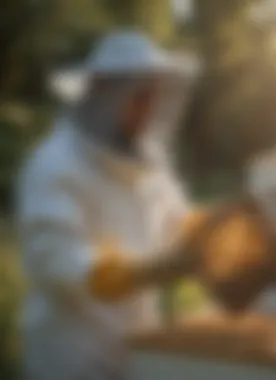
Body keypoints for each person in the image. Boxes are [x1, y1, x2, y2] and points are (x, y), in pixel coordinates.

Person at [17, 30, 203, 380]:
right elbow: (56, 262)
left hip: (138, 349)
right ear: (102, 91)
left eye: (154, 97)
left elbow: (178, 218)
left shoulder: (150, 160)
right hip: (71, 359)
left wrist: (209, 232)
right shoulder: (55, 163)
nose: (149, 109)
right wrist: (143, 271)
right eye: (139, 96)